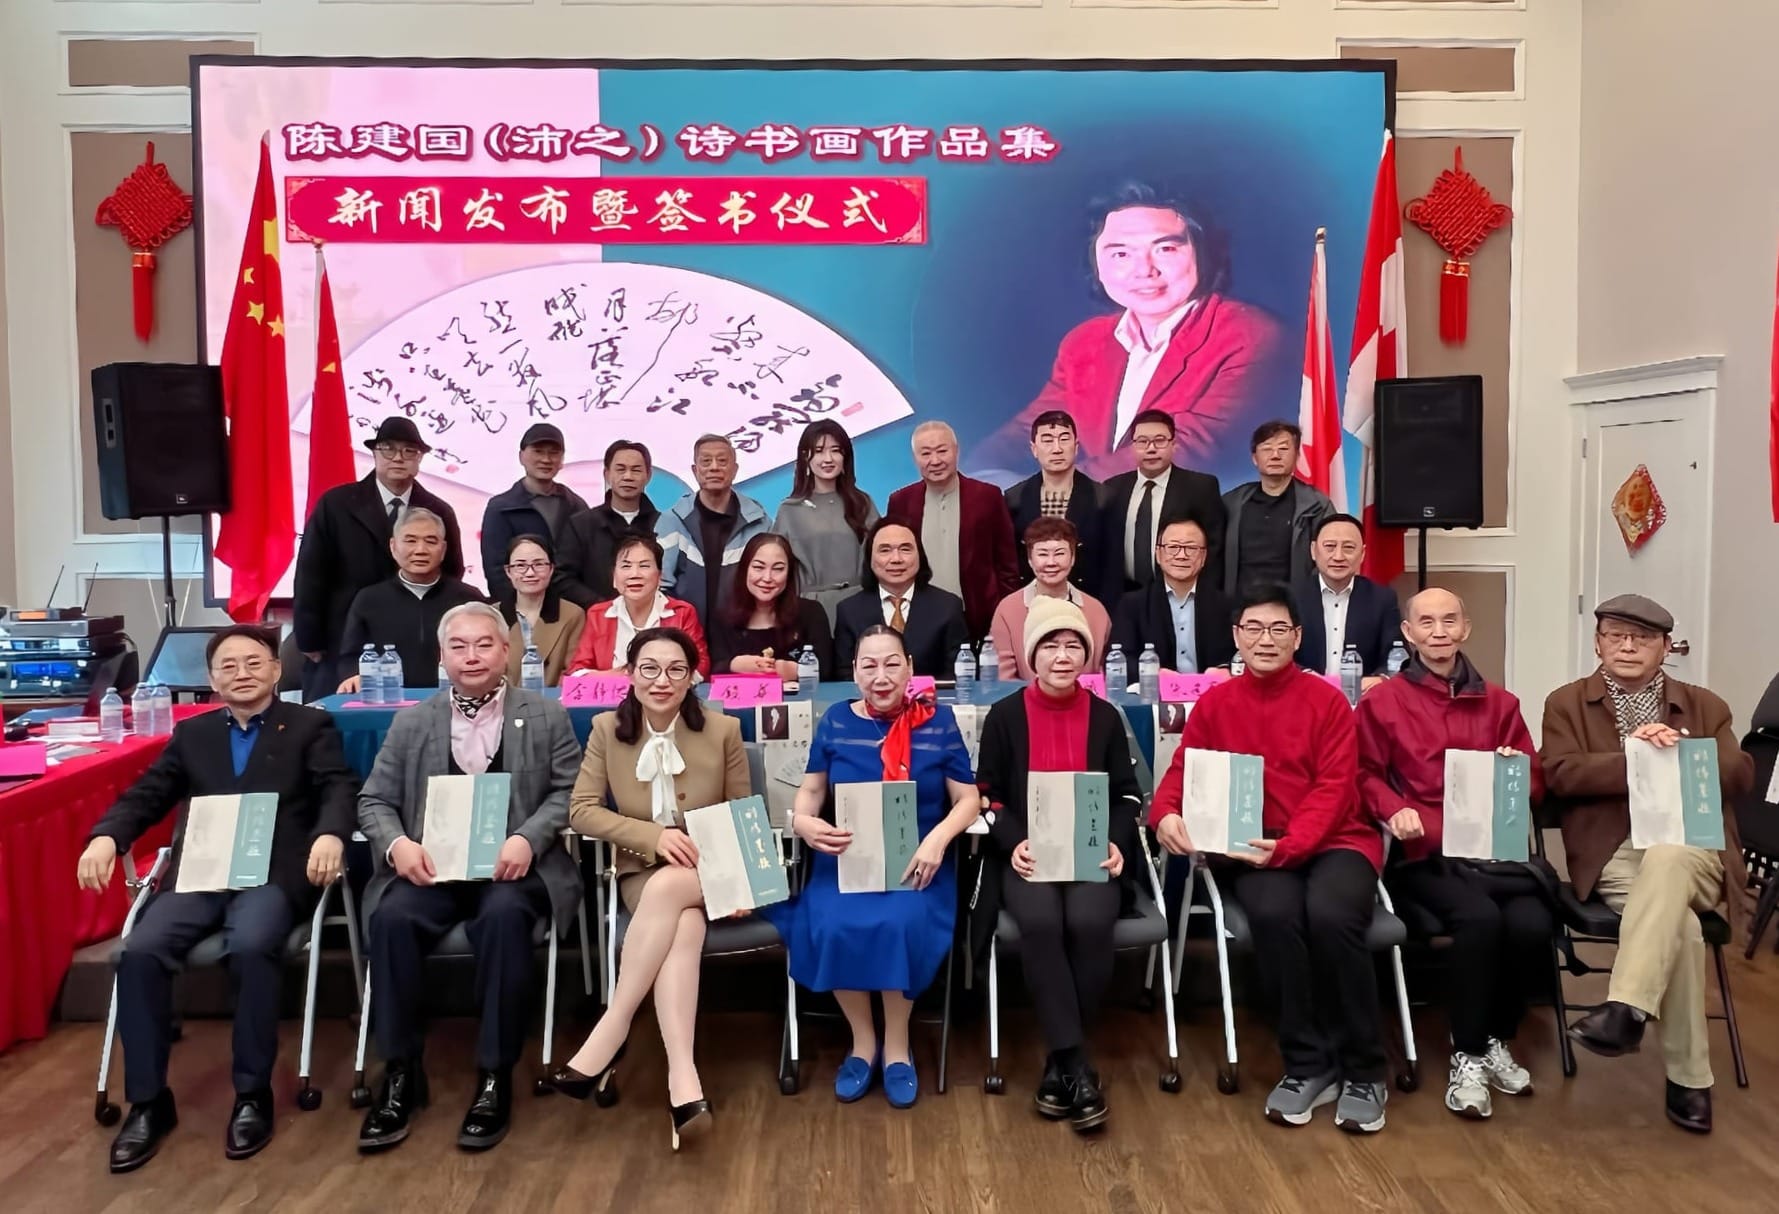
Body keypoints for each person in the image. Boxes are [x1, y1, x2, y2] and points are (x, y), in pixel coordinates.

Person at [76, 626, 356, 1172]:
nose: (242, 673)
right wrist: (107, 836)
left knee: (252, 945)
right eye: (228, 666)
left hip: (273, 875)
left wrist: (330, 834)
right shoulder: (193, 734)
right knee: (139, 953)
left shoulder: (310, 725)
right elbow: (148, 794)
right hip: (201, 874)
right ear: (211, 679)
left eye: (253, 662)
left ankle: (252, 1094)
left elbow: (338, 787)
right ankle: (149, 1103)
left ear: (276, 669)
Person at [1151, 584, 1390, 1134]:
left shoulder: (1327, 701)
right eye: (1253, 629)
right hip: (1252, 847)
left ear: (1298, 637)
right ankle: (1307, 1063)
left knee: (1332, 915)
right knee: (1276, 917)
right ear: (1236, 637)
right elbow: (1184, 770)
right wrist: (1163, 814)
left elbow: (1334, 789)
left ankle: (1363, 1068)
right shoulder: (1216, 703)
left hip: (1336, 841)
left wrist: (1291, 846)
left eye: (1279, 628)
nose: (1266, 639)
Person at [355, 602, 583, 1154]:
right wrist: (399, 845)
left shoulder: (545, 714)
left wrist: (528, 837)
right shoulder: (412, 721)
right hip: (432, 871)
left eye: (484, 644)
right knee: (391, 918)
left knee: (504, 918)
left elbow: (571, 791)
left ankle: (494, 1074)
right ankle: (401, 1073)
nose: (472, 656)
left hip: (514, 871)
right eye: (459, 646)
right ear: (442, 656)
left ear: (506, 651)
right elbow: (373, 801)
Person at [1540, 594, 1755, 1134]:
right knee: (1681, 927)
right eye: (1616, 636)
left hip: (1694, 849)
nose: (1628, 646)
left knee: (1668, 855)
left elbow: (1740, 774)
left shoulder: (1704, 705)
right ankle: (1689, 1078)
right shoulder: (1566, 703)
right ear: (1598, 644)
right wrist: (1633, 758)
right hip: (1614, 851)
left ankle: (1626, 1008)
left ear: (1666, 648)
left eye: (1643, 638)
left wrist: (1683, 751)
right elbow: (1559, 774)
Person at [545, 628, 749, 1149]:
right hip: (642, 874)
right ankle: (683, 1079)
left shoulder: (723, 729)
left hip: (714, 871)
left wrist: (737, 880)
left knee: (673, 893)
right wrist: (652, 837)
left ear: (692, 677)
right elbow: (580, 811)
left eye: (676, 670)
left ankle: (613, 1027)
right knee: (682, 922)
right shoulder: (605, 729)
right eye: (649, 669)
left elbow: (741, 814)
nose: (662, 681)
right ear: (630, 674)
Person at [764, 625, 982, 1108]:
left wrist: (938, 840)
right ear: (854, 672)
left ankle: (898, 1044)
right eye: (869, 665)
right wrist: (803, 821)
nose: (880, 676)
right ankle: (863, 1040)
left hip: (916, 860)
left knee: (899, 923)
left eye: (891, 664)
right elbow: (812, 790)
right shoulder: (837, 721)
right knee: (832, 924)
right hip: (847, 858)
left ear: (910, 669)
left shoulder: (938, 722)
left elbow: (968, 799)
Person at [1354, 588, 1551, 1120]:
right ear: (1408, 633)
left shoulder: (1502, 704)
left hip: (1492, 853)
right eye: (1426, 622)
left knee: (1532, 922)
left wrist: (1513, 773)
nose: (1438, 632)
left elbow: (1534, 782)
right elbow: (1363, 774)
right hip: (1423, 855)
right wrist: (1394, 807)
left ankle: (1494, 1039)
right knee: (1480, 919)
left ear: (1465, 628)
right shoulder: (1383, 702)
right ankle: (1467, 1054)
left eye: (1448, 621)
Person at [973, 181, 1289, 481]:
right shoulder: (1085, 342)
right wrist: (976, 474)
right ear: (1097, 264)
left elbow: (1190, 448)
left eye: (1166, 249)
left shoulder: (1251, 335)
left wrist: (1048, 492)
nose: (1144, 271)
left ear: (1203, 253)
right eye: (1121, 254)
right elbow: (1035, 427)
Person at [974, 598, 1144, 1132]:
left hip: (1092, 850)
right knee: (1042, 921)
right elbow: (987, 796)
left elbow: (1127, 796)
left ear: (1087, 655)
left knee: (1090, 921)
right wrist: (1014, 841)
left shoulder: (1105, 717)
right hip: (1028, 855)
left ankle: (1060, 1064)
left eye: (1073, 645)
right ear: (1032, 656)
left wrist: (1117, 842)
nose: (1062, 656)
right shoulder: (1005, 717)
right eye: (1050, 646)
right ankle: (1076, 1064)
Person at [292, 416, 465, 701]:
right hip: (344, 638)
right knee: (340, 715)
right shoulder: (336, 504)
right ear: (374, 453)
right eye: (388, 448)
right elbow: (310, 574)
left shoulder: (438, 510)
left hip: (416, 639)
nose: (398, 457)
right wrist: (309, 639)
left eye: (409, 451)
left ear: (420, 458)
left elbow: (452, 572)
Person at [885, 420, 1020, 641]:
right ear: (915, 458)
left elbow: (1007, 565)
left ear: (956, 451)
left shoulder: (988, 496)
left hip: (978, 617)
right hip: (919, 617)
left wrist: (1003, 612)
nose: (935, 460)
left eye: (942, 451)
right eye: (926, 453)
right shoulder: (900, 501)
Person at [335, 507, 485, 694]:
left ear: (443, 549)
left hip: (456, 698)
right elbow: (350, 657)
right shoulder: (369, 599)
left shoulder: (468, 599)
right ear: (393, 546)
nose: (420, 550)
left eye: (430, 541)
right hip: (388, 699)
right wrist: (353, 676)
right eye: (410, 541)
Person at [1097, 409, 1227, 600]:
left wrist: (1205, 597)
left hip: (1179, 594)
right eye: (1142, 441)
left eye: (1159, 441)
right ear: (1133, 446)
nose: (1151, 449)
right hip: (1122, 597)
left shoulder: (1200, 487)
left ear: (1173, 444)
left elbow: (1215, 548)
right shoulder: (1112, 488)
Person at [656, 433, 770, 629]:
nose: (714, 467)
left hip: (743, 631)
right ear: (695, 470)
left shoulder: (759, 522)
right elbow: (659, 584)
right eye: (706, 461)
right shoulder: (672, 521)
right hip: (685, 631)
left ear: (735, 469)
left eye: (722, 461)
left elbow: (769, 582)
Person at [772, 420, 880, 624]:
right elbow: (777, 565)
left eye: (835, 450)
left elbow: (880, 555)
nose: (828, 459)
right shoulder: (789, 509)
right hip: (810, 611)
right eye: (819, 451)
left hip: (861, 606)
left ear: (845, 456)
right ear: (806, 457)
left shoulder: (862, 503)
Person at [832, 519, 969, 678]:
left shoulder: (948, 607)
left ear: (920, 555)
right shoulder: (849, 611)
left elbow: (957, 674)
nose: (896, 559)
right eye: (885, 550)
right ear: (870, 558)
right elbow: (846, 675)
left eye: (905, 549)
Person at [566, 534, 710, 679]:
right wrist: (615, 677)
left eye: (644, 566)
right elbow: (577, 670)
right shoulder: (598, 614)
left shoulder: (682, 613)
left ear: (659, 576)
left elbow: (700, 665)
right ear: (614, 577)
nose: (634, 574)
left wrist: (666, 681)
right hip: (613, 692)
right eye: (626, 566)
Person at [986, 518, 1112, 680]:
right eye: (1042, 554)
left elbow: (1105, 674)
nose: (1051, 562)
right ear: (1030, 560)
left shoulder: (1095, 610)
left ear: (1073, 557)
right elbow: (1004, 678)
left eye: (1059, 553)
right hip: (1025, 695)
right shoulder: (1008, 609)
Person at [1109, 516, 1237, 675]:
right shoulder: (1132, 605)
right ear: (1158, 554)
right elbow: (1120, 660)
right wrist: (1154, 673)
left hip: (1211, 689)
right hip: (1155, 689)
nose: (1181, 555)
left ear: (1203, 557)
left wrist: (1226, 670)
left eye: (1191, 548)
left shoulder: (1224, 606)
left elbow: (1239, 657)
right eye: (1173, 547)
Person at [479, 423, 591, 602]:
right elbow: (496, 571)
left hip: (571, 608)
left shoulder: (576, 506)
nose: (546, 459)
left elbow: (588, 562)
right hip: (520, 607)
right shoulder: (501, 508)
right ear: (521, 456)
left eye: (553, 453)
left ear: (562, 459)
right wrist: (517, 609)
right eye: (538, 451)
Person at [1221, 421, 1334, 597]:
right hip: (1239, 605)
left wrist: (1307, 600)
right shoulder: (1231, 503)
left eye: (1283, 448)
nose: (1275, 455)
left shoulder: (1317, 505)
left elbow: (1328, 558)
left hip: (1295, 605)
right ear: (1254, 458)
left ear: (1297, 456)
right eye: (1267, 449)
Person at [709, 533, 835, 682]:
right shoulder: (722, 617)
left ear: (789, 574)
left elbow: (828, 670)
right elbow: (711, 670)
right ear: (744, 570)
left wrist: (797, 671)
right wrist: (734, 665)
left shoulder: (811, 613)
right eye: (758, 567)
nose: (767, 578)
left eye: (778, 569)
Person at [1001, 410, 1104, 592]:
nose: (1057, 449)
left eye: (1064, 439)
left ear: (1076, 446)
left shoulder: (1103, 498)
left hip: (1087, 598)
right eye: (1047, 440)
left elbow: (1112, 565)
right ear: (1034, 449)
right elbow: (1007, 561)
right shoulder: (1014, 499)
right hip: (1030, 598)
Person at [1295, 513, 1402, 684]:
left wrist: (1380, 679)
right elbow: (1277, 652)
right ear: (1314, 551)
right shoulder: (1291, 596)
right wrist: (1304, 675)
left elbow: (1395, 654)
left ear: (1362, 554)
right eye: (1330, 546)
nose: (1338, 556)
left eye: (1349, 548)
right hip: (1304, 690)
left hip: (1362, 693)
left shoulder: (1382, 598)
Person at [556, 440, 661, 608]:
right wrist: (603, 607)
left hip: (653, 617)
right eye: (620, 469)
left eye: (636, 470)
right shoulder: (581, 524)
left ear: (648, 476)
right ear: (606, 474)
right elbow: (563, 577)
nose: (628, 476)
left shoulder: (663, 524)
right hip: (595, 618)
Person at [495, 534, 585, 688]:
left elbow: (573, 671)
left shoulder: (573, 614)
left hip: (553, 699)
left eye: (539, 564)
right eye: (520, 565)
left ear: (551, 569)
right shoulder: (491, 616)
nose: (530, 573)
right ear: (508, 571)